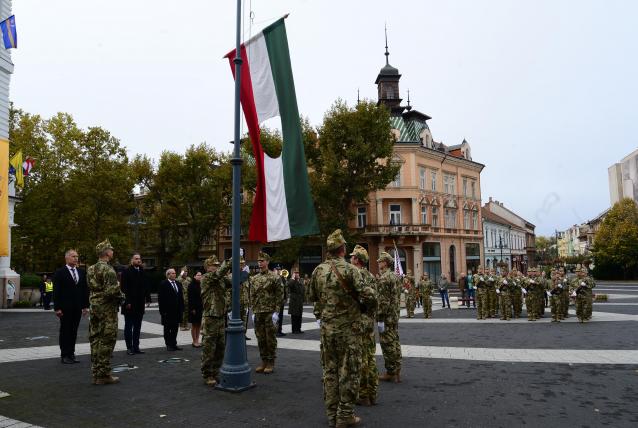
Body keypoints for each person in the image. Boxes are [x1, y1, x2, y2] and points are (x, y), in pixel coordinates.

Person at [310, 230, 372, 428]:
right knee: (350, 372)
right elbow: (370, 296)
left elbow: (313, 297)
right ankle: (345, 415)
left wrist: (323, 316)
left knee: (330, 372)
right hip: (349, 331)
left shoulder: (318, 271)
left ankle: (331, 414)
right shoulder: (351, 271)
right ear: (343, 249)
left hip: (327, 331)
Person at [87, 239, 123, 385]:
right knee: (107, 340)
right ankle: (103, 374)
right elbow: (111, 292)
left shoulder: (90, 269)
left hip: (94, 307)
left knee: (95, 339)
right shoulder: (108, 269)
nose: (112, 252)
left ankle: (96, 372)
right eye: (111, 250)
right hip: (107, 310)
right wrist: (122, 295)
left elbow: (92, 287)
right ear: (107, 252)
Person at [349, 244, 378, 407]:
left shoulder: (356, 275)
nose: (350, 259)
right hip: (368, 320)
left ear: (357, 260)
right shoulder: (371, 276)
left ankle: (364, 394)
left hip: (358, 320)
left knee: (360, 359)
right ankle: (372, 393)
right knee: (370, 356)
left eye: (352, 257)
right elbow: (375, 299)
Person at [53, 249, 89, 364]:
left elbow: (84, 290)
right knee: (65, 331)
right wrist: (57, 308)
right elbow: (56, 291)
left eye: (77, 256)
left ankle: (72, 354)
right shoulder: (60, 272)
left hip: (77, 307)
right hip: (64, 308)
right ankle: (64, 355)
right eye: (73, 256)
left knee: (74, 331)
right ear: (67, 258)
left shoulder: (81, 272)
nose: (76, 258)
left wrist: (85, 306)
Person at [200, 256, 231, 386]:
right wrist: (230, 262)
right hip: (210, 318)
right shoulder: (207, 278)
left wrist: (240, 267)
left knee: (220, 347)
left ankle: (215, 372)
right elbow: (219, 274)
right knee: (209, 348)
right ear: (208, 267)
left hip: (220, 317)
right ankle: (207, 374)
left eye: (218, 264)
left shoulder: (221, 279)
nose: (217, 266)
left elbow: (234, 281)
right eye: (214, 265)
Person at [252, 252, 283, 374]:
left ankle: (271, 361)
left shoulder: (274, 277)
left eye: (262, 261)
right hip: (258, 311)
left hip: (270, 311)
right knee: (260, 338)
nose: (260, 263)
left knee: (270, 338)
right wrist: (253, 311)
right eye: (259, 261)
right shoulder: (254, 278)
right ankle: (263, 361)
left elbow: (279, 296)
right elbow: (252, 295)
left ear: (267, 262)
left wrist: (276, 312)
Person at [376, 251, 402, 383]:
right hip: (395, 314)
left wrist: (380, 318)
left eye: (380, 261)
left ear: (385, 263)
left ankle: (391, 372)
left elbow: (383, 301)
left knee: (387, 344)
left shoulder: (384, 278)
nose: (378, 263)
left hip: (386, 317)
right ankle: (397, 370)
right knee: (395, 342)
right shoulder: (395, 276)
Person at [120, 253, 150, 355]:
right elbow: (124, 288)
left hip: (139, 304)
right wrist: (127, 301)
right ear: (132, 260)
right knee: (129, 326)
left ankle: (136, 347)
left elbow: (146, 286)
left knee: (138, 326)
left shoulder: (142, 271)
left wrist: (148, 298)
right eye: (136, 259)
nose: (138, 260)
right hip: (129, 303)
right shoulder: (126, 271)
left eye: (139, 259)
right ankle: (129, 347)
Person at [158, 268, 185, 351]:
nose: (174, 274)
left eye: (174, 273)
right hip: (167, 311)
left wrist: (182, 308)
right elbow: (161, 299)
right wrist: (162, 311)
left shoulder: (178, 283)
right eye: (172, 273)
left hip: (177, 311)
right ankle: (168, 344)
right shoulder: (163, 284)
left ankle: (174, 344)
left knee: (175, 328)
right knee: (167, 329)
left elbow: (181, 297)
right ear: (168, 275)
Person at [287, 268, 305, 334]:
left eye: (297, 273)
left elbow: (302, 289)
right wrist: (292, 278)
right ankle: (294, 329)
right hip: (294, 302)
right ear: (293, 274)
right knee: (294, 316)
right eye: (295, 273)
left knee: (299, 315)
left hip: (299, 301)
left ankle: (299, 328)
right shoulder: (291, 281)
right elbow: (289, 285)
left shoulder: (300, 280)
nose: (297, 274)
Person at [189, 271, 203, 347]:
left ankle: (197, 340)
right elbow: (190, 298)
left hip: (201, 307)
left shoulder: (201, 284)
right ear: (194, 276)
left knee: (199, 325)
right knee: (194, 325)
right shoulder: (191, 285)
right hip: (194, 308)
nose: (200, 276)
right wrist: (192, 309)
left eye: (201, 275)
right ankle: (194, 341)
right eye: (198, 275)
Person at [275, 266, 288, 337]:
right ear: (275, 270)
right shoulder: (274, 278)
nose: (279, 271)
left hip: (282, 300)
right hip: (276, 301)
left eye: (279, 270)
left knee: (281, 316)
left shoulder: (282, 278)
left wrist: (285, 298)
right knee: (276, 316)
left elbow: (285, 289)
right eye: (277, 269)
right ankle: (276, 331)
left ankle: (279, 330)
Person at [178, 267, 191, 331]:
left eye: (186, 271)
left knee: (187, 312)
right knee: (182, 312)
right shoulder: (180, 278)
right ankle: (181, 325)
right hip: (182, 297)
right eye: (184, 272)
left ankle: (186, 324)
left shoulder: (189, 279)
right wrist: (182, 273)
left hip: (188, 297)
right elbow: (178, 280)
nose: (185, 273)